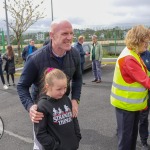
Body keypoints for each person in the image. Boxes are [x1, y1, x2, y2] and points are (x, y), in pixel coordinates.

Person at [17, 18, 82, 150]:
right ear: (52, 35)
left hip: (63, 111)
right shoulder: (35, 59)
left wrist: (75, 99)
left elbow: (78, 79)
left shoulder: (74, 54)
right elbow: (22, 86)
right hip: (43, 114)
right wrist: (30, 107)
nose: (70, 37)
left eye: (71, 33)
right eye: (65, 33)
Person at [110, 25, 150, 150]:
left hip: (131, 105)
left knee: (131, 139)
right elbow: (146, 80)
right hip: (126, 106)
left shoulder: (133, 53)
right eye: (145, 41)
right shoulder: (129, 58)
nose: (147, 44)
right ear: (137, 40)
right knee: (126, 142)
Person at [34, 68, 82, 150]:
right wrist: (56, 146)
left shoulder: (66, 99)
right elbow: (41, 134)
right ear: (48, 87)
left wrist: (77, 137)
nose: (63, 92)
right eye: (59, 89)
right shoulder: (42, 106)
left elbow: (74, 118)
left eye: (65, 88)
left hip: (72, 146)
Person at [139, 47, 150, 150]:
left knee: (143, 119)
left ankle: (144, 140)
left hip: (148, 92)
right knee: (141, 118)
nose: (146, 45)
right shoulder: (132, 55)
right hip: (139, 95)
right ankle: (143, 141)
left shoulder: (148, 54)